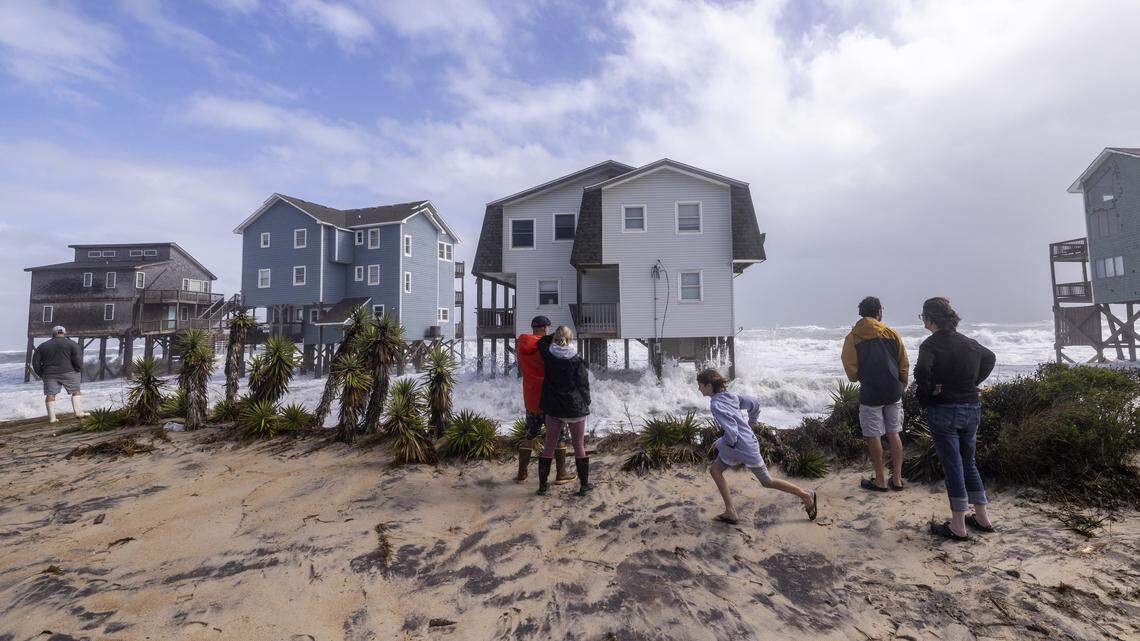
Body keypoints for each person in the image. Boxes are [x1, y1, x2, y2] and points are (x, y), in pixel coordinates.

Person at [915, 297, 997, 541]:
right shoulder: (970, 343)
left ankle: (958, 526)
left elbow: (921, 373)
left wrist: (929, 393)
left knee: (953, 465)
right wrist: (973, 383)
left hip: (944, 409)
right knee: (968, 462)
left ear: (930, 318)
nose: (923, 321)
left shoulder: (930, 345)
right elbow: (990, 357)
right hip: (971, 407)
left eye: (922, 317)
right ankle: (982, 519)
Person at [698, 369, 817, 524]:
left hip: (741, 446)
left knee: (767, 481)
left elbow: (732, 430)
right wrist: (752, 421)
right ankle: (730, 511)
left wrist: (724, 442)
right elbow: (754, 403)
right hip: (744, 443)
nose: (699, 388)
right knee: (715, 470)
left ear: (708, 386)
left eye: (700, 385)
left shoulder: (715, 404)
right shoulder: (731, 396)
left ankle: (806, 495)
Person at [841, 296, 910, 492]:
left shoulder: (853, 337)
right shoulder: (892, 333)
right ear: (879, 311)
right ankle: (896, 480)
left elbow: (852, 372)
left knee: (873, 436)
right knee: (893, 433)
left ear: (861, 314)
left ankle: (880, 480)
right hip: (893, 391)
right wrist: (902, 384)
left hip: (871, 391)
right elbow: (903, 362)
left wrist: (860, 375)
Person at [515, 316, 574, 485]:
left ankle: (522, 474)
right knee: (559, 436)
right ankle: (561, 474)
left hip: (532, 398)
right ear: (546, 328)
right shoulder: (550, 345)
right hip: (551, 398)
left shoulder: (522, 345)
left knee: (529, 434)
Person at [535, 326, 592, 497]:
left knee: (549, 446)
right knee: (579, 445)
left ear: (556, 338)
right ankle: (584, 486)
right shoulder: (576, 359)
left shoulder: (548, 355)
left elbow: (542, 341)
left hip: (554, 407)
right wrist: (586, 401)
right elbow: (583, 385)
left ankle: (543, 487)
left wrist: (556, 335)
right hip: (574, 407)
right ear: (570, 339)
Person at [32, 326, 86, 423]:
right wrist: (78, 369)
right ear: (64, 333)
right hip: (69, 372)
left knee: (50, 394)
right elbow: (78, 359)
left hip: (49, 374)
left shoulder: (43, 346)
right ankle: (79, 413)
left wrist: (41, 374)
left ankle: (52, 418)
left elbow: (35, 363)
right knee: (76, 391)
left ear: (53, 333)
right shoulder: (72, 344)